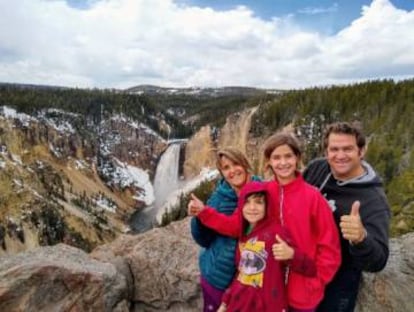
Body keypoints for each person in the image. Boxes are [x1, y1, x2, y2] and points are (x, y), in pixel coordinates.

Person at [189, 132, 341, 312]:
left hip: (302, 294)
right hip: (267, 292)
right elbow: (237, 225)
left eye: (288, 156)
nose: (283, 163)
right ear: (268, 162)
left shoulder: (313, 197)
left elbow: (330, 249)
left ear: (297, 158)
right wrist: (204, 213)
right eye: (276, 158)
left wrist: (316, 282)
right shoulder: (263, 192)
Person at [303, 121, 391, 312]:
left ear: (361, 151)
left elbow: (379, 261)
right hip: (303, 271)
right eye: (334, 149)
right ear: (326, 151)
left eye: (348, 149)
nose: (340, 156)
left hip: (336, 288)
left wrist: (361, 238)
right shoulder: (317, 169)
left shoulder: (373, 201)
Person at [192, 181, 317, 312]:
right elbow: (242, 274)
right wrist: (225, 302)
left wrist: (292, 254)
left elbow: (310, 268)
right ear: (240, 206)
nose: (252, 207)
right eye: (247, 202)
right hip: (240, 305)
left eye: (258, 202)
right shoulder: (244, 234)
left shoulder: (277, 233)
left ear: (267, 206)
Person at [189, 148, 260, 312]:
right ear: (221, 172)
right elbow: (202, 239)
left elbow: (238, 227)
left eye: (235, 164)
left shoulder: (261, 190)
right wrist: (198, 218)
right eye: (226, 168)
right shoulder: (219, 198)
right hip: (218, 277)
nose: (232, 171)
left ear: (244, 163)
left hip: (250, 276)